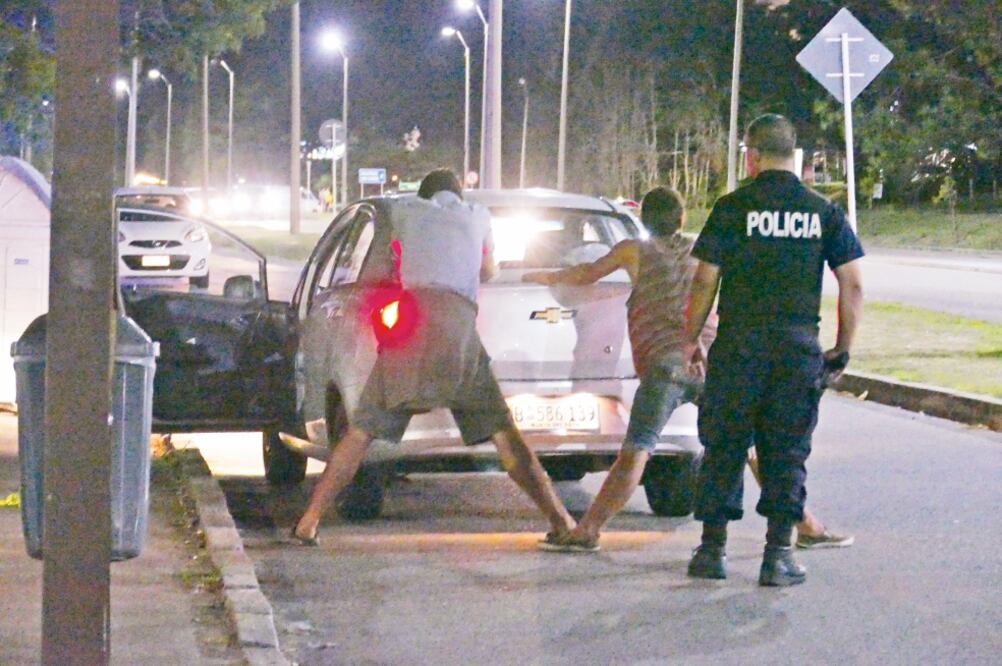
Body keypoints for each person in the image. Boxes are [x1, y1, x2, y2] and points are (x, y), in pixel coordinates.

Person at [523, 187, 850, 552]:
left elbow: (585, 274)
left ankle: (587, 531)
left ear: (643, 220)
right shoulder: (701, 248)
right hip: (711, 362)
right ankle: (806, 525)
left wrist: (546, 276)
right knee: (752, 447)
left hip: (665, 365)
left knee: (637, 451)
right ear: (681, 219)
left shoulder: (633, 250)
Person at [293, 169, 576, 545]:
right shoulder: (478, 216)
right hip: (459, 332)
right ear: (459, 194)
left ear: (423, 195)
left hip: (411, 327)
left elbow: (396, 259)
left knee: (360, 433)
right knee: (506, 436)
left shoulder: (405, 212)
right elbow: (487, 270)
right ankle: (561, 522)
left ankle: (309, 520)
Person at [682, 114, 864, 586]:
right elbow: (853, 284)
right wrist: (840, 350)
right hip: (796, 348)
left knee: (724, 444)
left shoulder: (732, 207)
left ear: (752, 154)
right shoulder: (823, 211)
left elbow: (705, 278)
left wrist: (691, 337)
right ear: (793, 155)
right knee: (786, 451)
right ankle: (778, 555)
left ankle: (711, 550)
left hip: (740, 345)